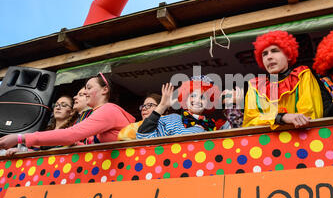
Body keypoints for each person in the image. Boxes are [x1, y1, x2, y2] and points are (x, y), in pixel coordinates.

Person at [0, 73, 135, 151]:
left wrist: (20, 137)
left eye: (89, 88)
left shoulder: (108, 110)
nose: (85, 93)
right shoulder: (100, 112)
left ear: (105, 90)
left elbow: (71, 134)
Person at [242, 30, 323, 129]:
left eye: (275, 51)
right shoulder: (255, 85)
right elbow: (249, 121)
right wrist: (281, 118)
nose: (269, 57)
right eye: (264, 54)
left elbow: (309, 115)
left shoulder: (302, 75)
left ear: (288, 55)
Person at [136, 75, 243, 139]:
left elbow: (236, 133)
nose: (197, 100)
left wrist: (233, 105)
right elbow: (142, 135)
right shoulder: (171, 120)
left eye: (202, 97)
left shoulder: (214, 126)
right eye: (192, 96)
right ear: (185, 99)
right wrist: (162, 106)